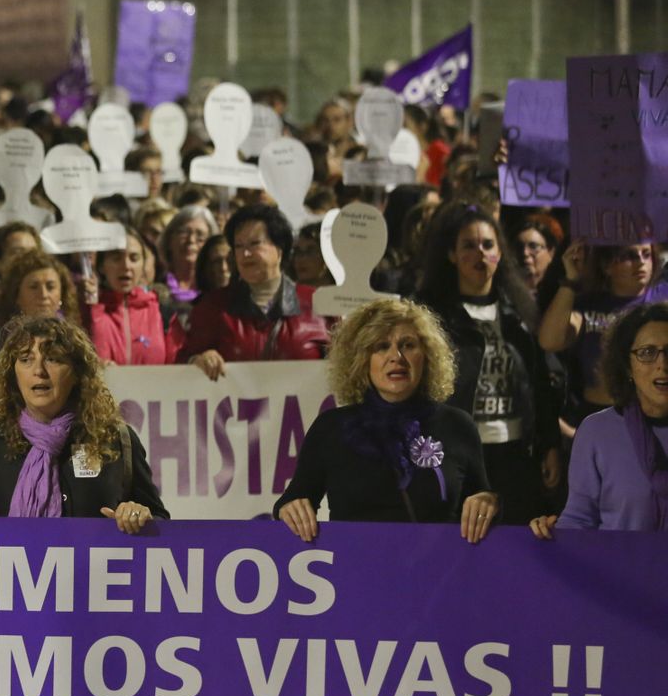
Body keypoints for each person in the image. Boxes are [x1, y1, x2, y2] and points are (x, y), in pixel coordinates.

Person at [274, 299, 497, 542]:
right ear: (362, 360)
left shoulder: (457, 425)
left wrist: (489, 503)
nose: (396, 357)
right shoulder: (331, 428)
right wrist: (289, 508)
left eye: (408, 345)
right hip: (356, 572)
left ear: (427, 355)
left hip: (437, 574)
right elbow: (293, 499)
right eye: (381, 346)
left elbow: (482, 498)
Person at [0, 316, 168, 532]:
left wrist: (140, 517)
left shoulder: (116, 441)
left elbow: (161, 524)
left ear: (77, 373)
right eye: (26, 360)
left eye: (53, 359)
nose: (39, 371)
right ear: (12, 374)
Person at [415, 201, 559, 522]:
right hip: (458, 455)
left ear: (500, 253)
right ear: (451, 255)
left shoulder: (519, 314)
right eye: (468, 245)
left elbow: (539, 383)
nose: (480, 253)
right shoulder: (430, 315)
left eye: (488, 245)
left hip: (514, 453)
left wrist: (549, 442)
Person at [533, 303, 668, 535]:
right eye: (647, 353)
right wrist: (550, 533)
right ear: (627, 366)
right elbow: (581, 517)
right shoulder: (597, 431)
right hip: (618, 569)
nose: (662, 365)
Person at [175, 203, 329, 380]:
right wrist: (197, 360)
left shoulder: (318, 304)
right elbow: (181, 362)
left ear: (279, 249)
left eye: (255, 244)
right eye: (239, 246)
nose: (245, 254)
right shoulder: (212, 307)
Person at [538, 239, 668, 428]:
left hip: (653, 416)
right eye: (629, 255)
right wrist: (571, 281)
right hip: (598, 414)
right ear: (607, 265)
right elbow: (549, 341)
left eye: (646, 254)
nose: (641, 262)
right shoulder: (589, 305)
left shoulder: (662, 301)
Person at [0, 249, 82, 362]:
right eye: (34, 287)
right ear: (16, 295)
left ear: (62, 294)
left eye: (50, 287)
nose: (44, 294)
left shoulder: (75, 341)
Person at [82, 233, 171, 366]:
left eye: (134, 258)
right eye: (116, 258)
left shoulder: (161, 310)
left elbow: (181, 358)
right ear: (101, 266)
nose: (126, 266)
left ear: (143, 265)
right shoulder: (86, 310)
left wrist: (198, 358)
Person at [159, 204, 218, 310]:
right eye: (184, 232)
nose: (191, 240)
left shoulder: (217, 289)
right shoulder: (155, 286)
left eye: (200, 235)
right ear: (169, 240)